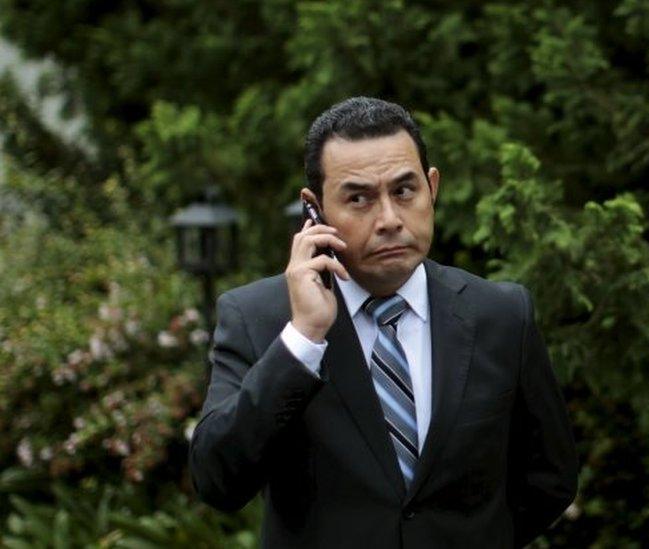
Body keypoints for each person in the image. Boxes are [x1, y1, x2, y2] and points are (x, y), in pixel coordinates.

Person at [188, 97, 578, 548]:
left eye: (404, 191)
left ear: (432, 187)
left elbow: (551, 479)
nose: (389, 220)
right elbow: (217, 481)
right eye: (359, 198)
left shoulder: (503, 315)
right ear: (313, 211)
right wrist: (303, 339)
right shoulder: (258, 317)